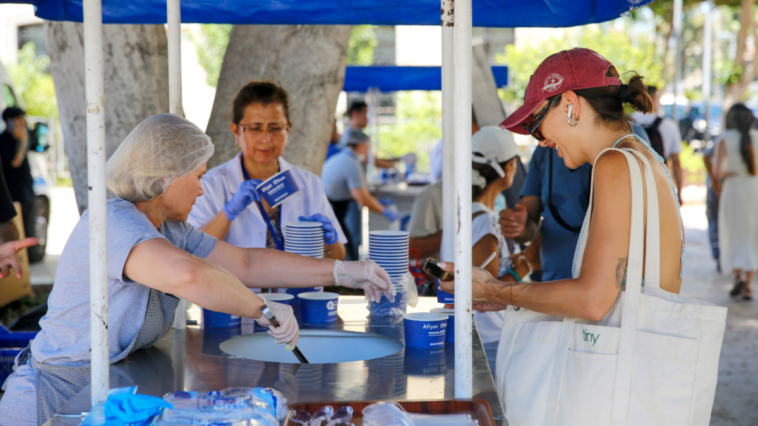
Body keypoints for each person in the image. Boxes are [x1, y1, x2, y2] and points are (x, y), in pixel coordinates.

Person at [0, 114, 394, 426]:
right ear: (166, 177)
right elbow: (187, 275)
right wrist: (264, 309)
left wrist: (342, 271)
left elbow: (246, 261)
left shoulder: (171, 229)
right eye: (198, 176)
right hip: (49, 400)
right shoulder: (113, 221)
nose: (202, 189)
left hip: (102, 392)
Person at [438, 48, 683, 419]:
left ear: (569, 104)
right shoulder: (643, 157)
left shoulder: (615, 163)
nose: (542, 142)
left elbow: (592, 300)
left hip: (619, 389)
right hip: (643, 378)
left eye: (537, 125)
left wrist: (494, 289)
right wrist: (506, 294)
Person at [188, 81, 347, 272]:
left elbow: (338, 258)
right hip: (233, 299)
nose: (266, 138)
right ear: (236, 131)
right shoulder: (210, 184)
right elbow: (192, 254)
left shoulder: (309, 183)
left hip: (294, 299)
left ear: (288, 128)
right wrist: (227, 213)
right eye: (255, 128)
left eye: (275, 127)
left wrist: (329, 243)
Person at [500, 116, 650, 283]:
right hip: (558, 287)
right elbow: (529, 221)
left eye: (541, 118)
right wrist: (519, 226)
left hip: (613, 291)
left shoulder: (626, 143)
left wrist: (498, 292)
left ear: (570, 105)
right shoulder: (545, 149)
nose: (541, 140)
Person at [461, 125, 540, 375]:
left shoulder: (468, 212)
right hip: (490, 337)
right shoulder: (484, 221)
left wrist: (513, 261)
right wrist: (525, 266)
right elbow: (485, 292)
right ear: (508, 169)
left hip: (482, 334)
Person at [322, 131, 399, 260]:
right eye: (368, 148)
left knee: (346, 247)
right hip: (331, 209)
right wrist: (385, 212)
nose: (368, 153)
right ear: (361, 145)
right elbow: (362, 198)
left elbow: (363, 189)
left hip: (334, 207)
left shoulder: (344, 158)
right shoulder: (350, 163)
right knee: (346, 253)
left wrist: (377, 202)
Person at [714, 103, 758, 301]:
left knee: (733, 232)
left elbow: (717, 172)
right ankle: (749, 285)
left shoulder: (724, 139)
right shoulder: (756, 138)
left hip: (733, 188)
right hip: (753, 189)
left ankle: (737, 276)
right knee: (752, 234)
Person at [632, 85, 684, 204]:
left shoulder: (626, 123)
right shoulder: (669, 125)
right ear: (654, 99)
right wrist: (679, 193)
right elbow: (676, 162)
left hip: (632, 184)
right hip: (659, 185)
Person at [0, 107, 37, 251]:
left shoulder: (25, 136)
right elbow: (15, 162)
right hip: (12, 196)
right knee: (17, 234)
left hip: (27, 192)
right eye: (18, 119)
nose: (22, 122)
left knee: (28, 229)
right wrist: (22, 141)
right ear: (8, 121)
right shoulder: (3, 141)